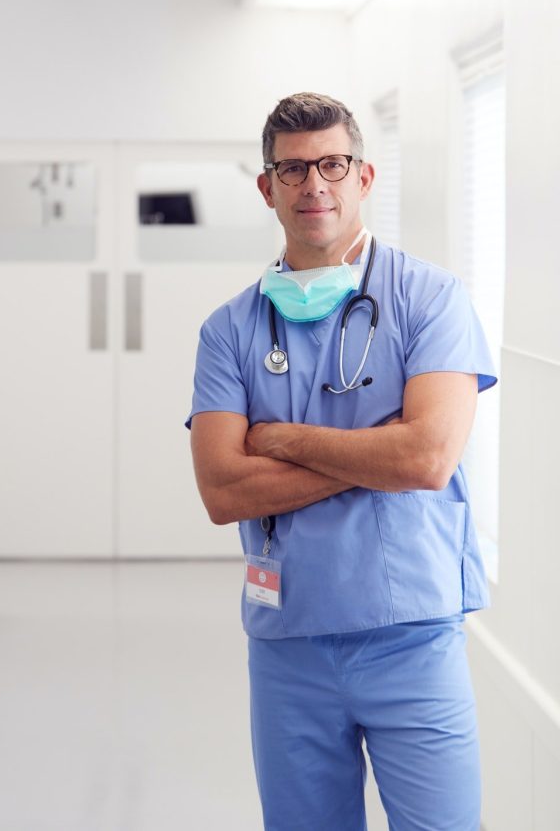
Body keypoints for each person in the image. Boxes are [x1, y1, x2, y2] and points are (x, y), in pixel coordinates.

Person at [187, 92, 496, 831]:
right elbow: (224, 488)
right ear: (267, 188)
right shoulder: (229, 330)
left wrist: (286, 439)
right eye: (292, 169)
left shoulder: (431, 300)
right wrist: (373, 449)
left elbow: (425, 458)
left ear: (364, 176)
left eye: (332, 164)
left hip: (413, 638)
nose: (314, 185)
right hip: (290, 643)